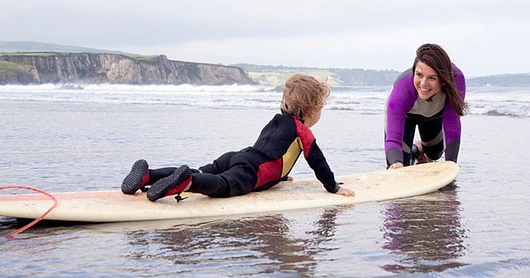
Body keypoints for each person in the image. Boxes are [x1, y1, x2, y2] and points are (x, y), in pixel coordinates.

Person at [121, 73, 355, 201]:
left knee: (202, 170)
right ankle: (187, 183)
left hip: (237, 156)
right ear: (312, 109)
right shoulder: (302, 131)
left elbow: (273, 149)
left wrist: (280, 178)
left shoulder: (276, 120)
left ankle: (149, 175)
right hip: (251, 171)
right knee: (224, 185)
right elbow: (318, 163)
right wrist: (333, 187)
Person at [385, 43, 467, 169]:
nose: (423, 84)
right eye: (419, 75)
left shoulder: (456, 80)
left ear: (444, 79)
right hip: (406, 117)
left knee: (434, 153)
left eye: (432, 78)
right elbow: (393, 140)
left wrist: (450, 165)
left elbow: (452, 122)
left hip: (434, 114)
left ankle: (421, 148)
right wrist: (395, 163)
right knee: (402, 166)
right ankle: (415, 150)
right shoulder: (401, 92)